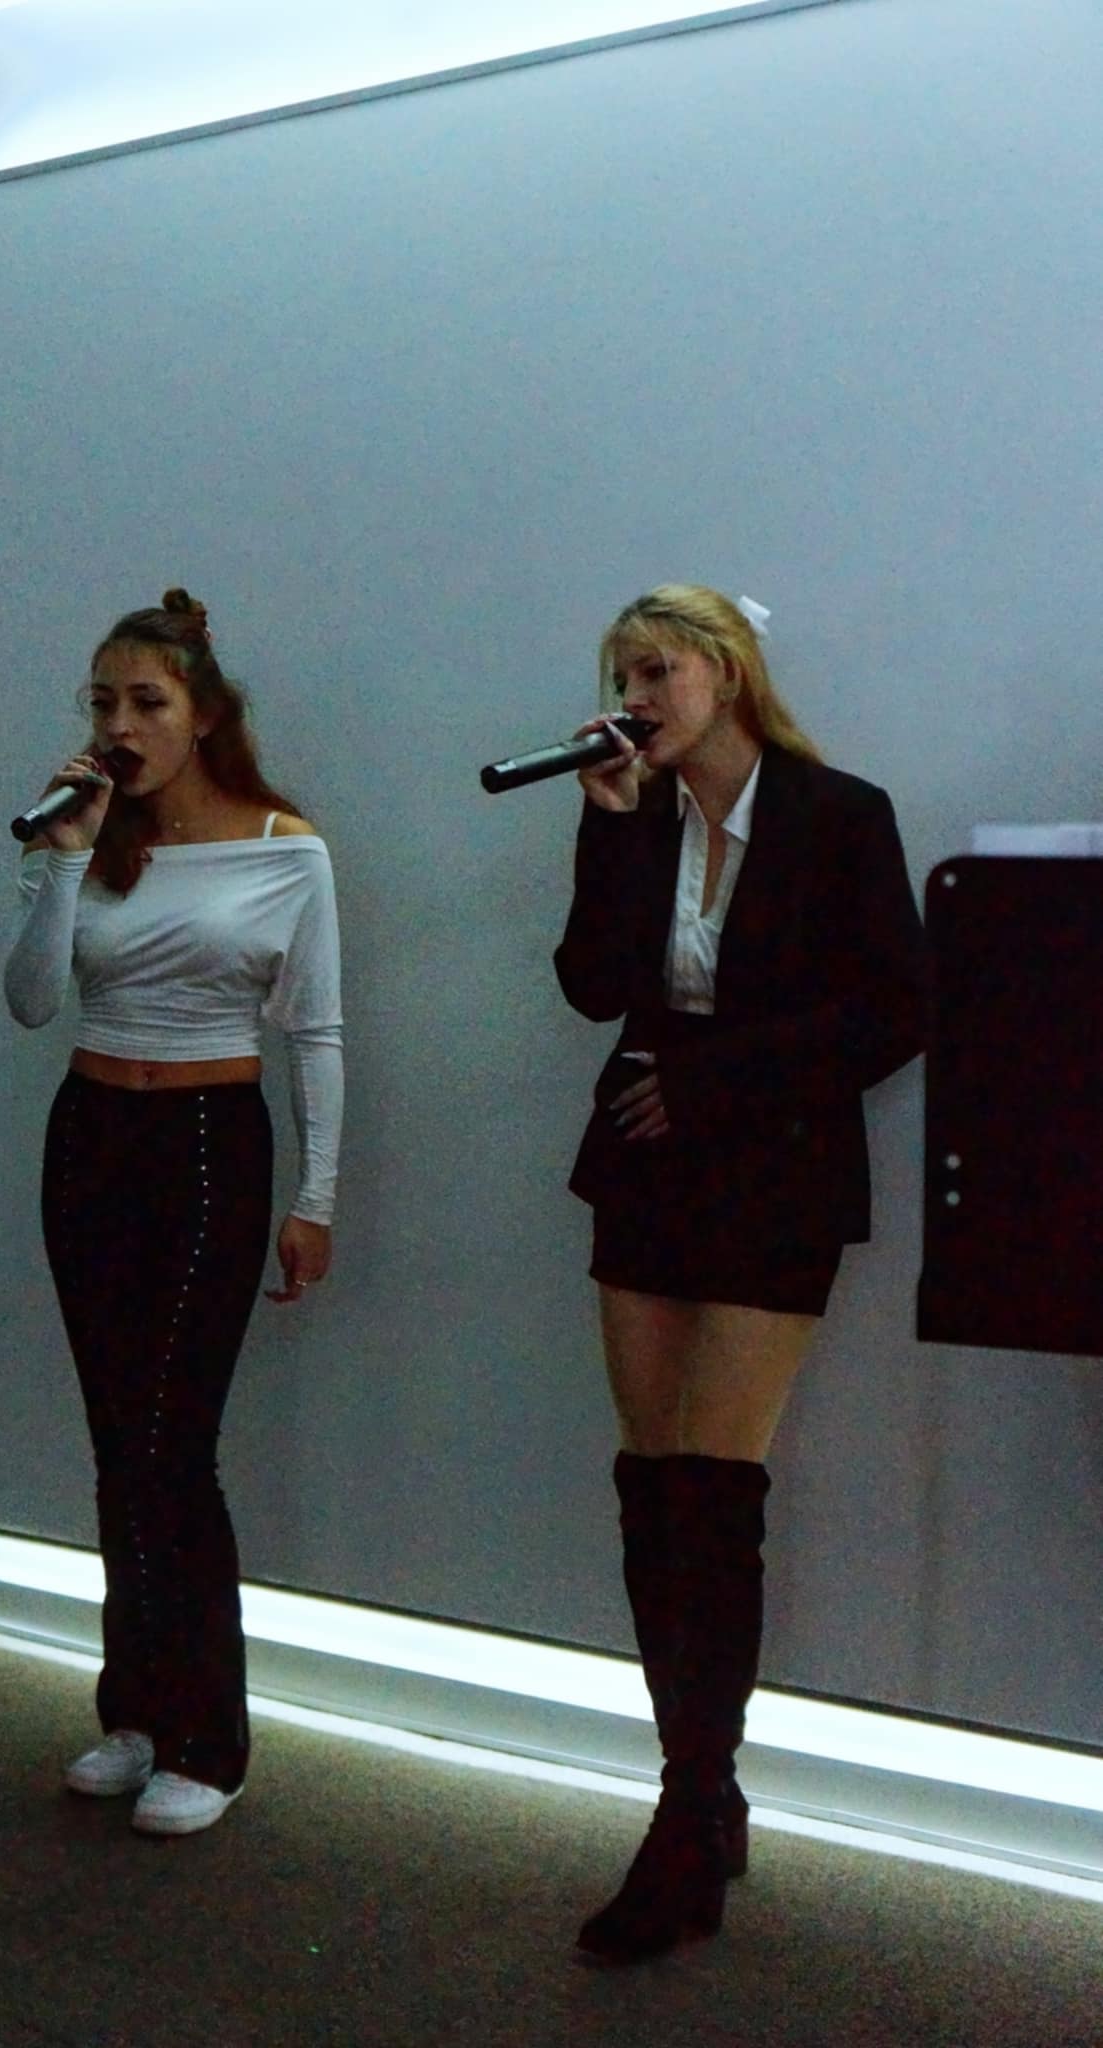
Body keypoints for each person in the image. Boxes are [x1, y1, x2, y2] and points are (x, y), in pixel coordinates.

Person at [553, 584, 928, 1962]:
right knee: (651, 1487)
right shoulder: (633, 809)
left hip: (770, 1172)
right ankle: (700, 1796)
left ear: (725, 672)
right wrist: (605, 829)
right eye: (621, 674)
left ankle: (684, 1813)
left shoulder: (838, 814)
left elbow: (897, 1008)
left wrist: (718, 1082)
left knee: (713, 1493)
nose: (635, 698)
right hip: (645, 1168)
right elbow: (592, 985)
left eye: (657, 671)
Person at [3, 587, 342, 1836]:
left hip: (207, 1141)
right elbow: (31, 1000)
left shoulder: (285, 847)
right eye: (103, 702)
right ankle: (135, 1710)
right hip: (91, 1136)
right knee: (116, 1441)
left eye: (146, 701)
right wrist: (65, 858)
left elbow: (316, 1030)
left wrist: (316, 1194)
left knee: (172, 1443)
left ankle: (210, 1735)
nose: (120, 724)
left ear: (203, 715)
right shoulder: (88, 838)